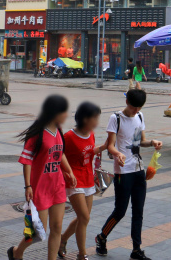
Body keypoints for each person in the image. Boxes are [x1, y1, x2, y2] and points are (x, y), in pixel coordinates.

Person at [95, 89, 162, 260]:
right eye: (134, 107)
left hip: (138, 170)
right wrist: (118, 154)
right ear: (127, 103)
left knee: (138, 211)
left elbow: (140, 141)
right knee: (120, 211)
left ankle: (136, 250)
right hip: (123, 172)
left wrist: (152, 142)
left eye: (139, 108)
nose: (136, 111)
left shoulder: (139, 116)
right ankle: (101, 237)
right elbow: (110, 145)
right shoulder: (116, 118)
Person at [9, 95, 77, 260]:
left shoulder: (58, 130)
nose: (66, 115)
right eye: (64, 112)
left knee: (57, 227)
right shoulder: (38, 133)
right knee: (39, 231)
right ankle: (17, 252)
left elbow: (60, 153)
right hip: (40, 187)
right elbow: (27, 161)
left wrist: (69, 171)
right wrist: (28, 186)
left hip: (57, 186)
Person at [58, 102, 109, 260]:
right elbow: (59, 155)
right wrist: (66, 172)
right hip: (74, 181)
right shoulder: (69, 137)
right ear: (85, 119)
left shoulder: (91, 134)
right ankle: (82, 254)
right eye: (95, 118)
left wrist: (104, 147)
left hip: (88, 179)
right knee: (84, 218)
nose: (97, 122)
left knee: (83, 218)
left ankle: (62, 239)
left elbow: (90, 152)